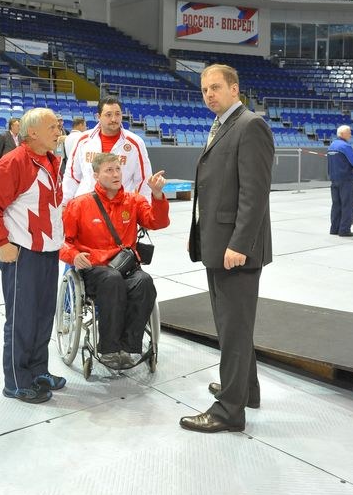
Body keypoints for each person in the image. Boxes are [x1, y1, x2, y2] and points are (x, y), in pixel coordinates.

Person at [181, 64, 274, 434]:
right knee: (232, 325)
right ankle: (245, 389)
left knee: (233, 328)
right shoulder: (221, 125)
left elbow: (254, 193)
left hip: (235, 249)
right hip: (216, 243)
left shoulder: (250, 126)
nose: (209, 94)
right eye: (204, 89)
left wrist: (239, 243)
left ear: (235, 88)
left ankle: (229, 411)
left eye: (216, 87)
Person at [0, 108, 65, 404]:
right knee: (21, 319)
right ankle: (15, 381)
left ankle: (38, 370)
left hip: (48, 252)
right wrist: (1, 242)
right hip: (22, 254)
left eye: (59, 125)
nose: (58, 130)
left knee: (42, 318)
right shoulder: (13, 163)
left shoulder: (52, 161)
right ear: (33, 132)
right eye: (52, 126)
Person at [61, 152, 169, 369]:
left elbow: (157, 222)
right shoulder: (79, 205)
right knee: (111, 280)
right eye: (109, 170)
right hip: (95, 270)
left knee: (145, 282)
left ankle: (129, 346)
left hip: (125, 268)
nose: (115, 174)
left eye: (118, 169)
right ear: (96, 175)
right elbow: (63, 243)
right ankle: (109, 348)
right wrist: (74, 256)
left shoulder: (134, 201)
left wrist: (157, 195)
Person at [62, 97, 152, 204]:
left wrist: (145, 208)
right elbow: (72, 176)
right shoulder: (83, 140)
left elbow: (144, 180)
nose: (114, 119)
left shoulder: (135, 143)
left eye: (117, 114)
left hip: (121, 206)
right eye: (108, 115)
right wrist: (65, 202)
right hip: (88, 205)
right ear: (98, 117)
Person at [327, 125, 353, 237]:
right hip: (345, 180)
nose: (350, 134)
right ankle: (344, 230)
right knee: (347, 205)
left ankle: (334, 229)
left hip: (334, 179)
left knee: (336, 204)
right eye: (349, 132)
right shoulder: (345, 146)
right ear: (342, 134)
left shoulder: (332, 145)